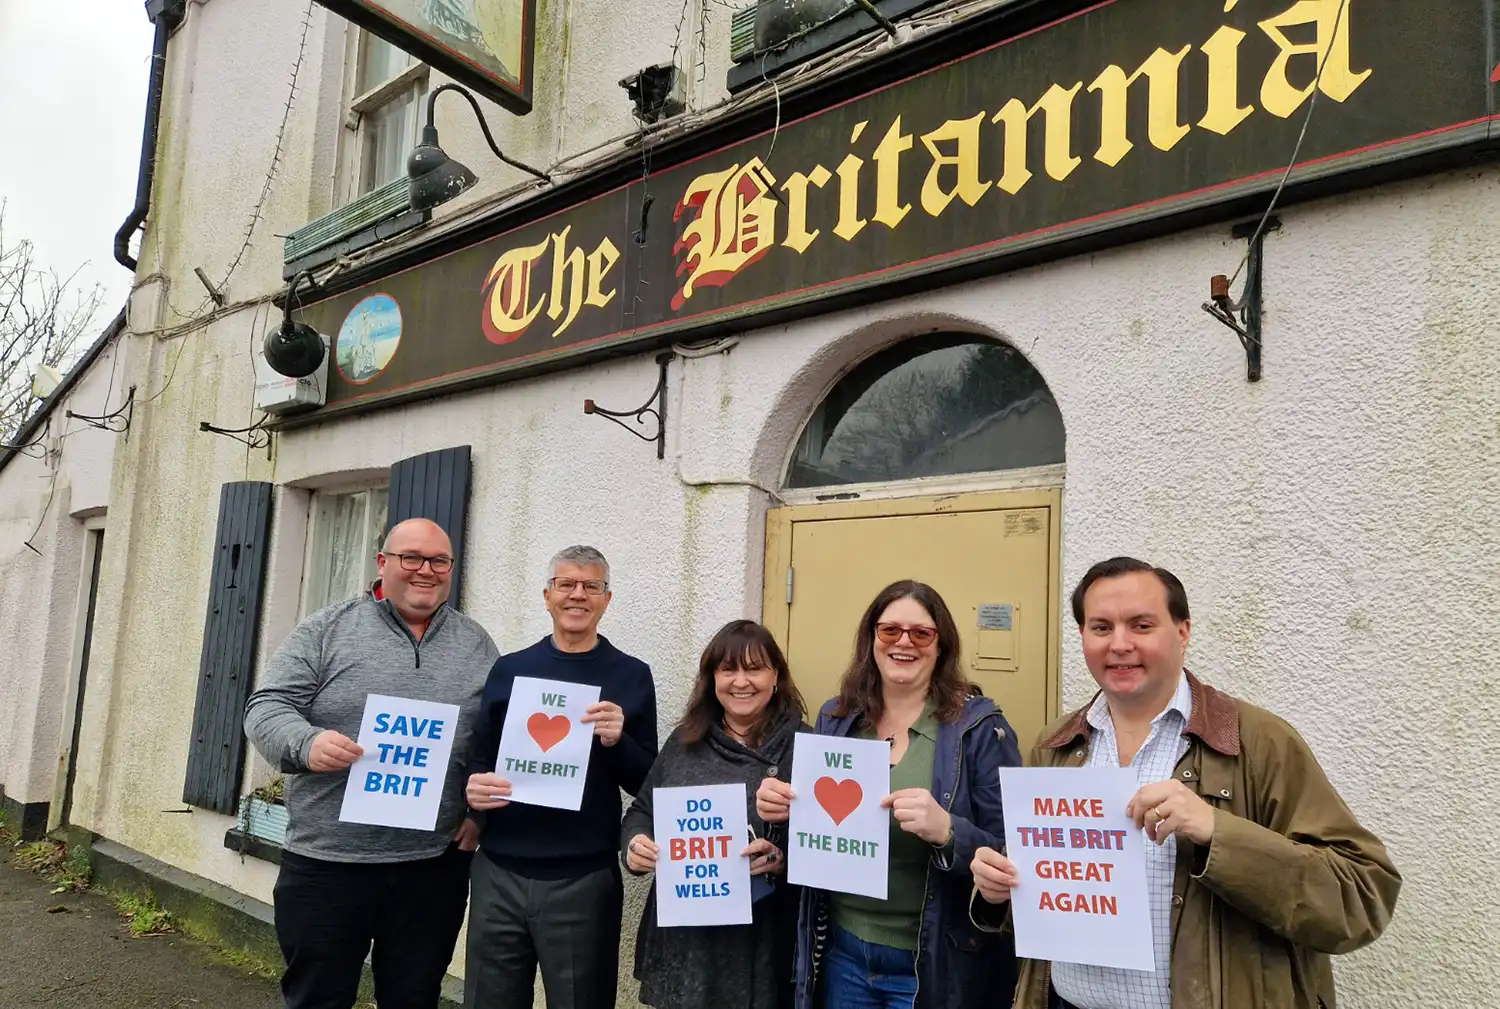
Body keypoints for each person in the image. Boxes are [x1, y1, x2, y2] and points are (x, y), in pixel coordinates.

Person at [969, 556, 1402, 1009]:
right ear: (1082, 637)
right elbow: (1052, 900)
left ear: (1182, 632)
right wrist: (999, 889)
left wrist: (1218, 832)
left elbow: (1361, 896)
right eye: (1101, 627)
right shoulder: (1055, 745)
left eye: (1141, 625)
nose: (1119, 644)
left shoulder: (1257, 742)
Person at [244, 517, 499, 1009]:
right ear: (383, 563)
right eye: (411, 558)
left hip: (431, 868)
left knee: (414, 997)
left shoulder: (476, 643)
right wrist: (307, 743)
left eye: (438, 560)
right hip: (328, 863)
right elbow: (266, 706)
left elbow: (491, 738)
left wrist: (478, 815)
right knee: (318, 998)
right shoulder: (326, 629)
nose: (425, 570)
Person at [757, 579, 1024, 1009]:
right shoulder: (838, 717)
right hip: (842, 954)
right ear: (871, 639)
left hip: (931, 962)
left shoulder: (978, 728)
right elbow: (814, 836)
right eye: (890, 631)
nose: (904, 643)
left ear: (941, 646)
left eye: (921, 633)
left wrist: (949, 831)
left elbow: (1015, 853)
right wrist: (780, 812)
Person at [464, 545, 658, 1009]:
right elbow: (479, 757)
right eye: (566, 584)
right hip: (500, 870)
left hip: (582, 878)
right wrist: (473, 790)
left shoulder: (631, 676)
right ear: (546, 596)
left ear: (607, 599)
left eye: (591, 586)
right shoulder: (510, 669)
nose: (578, 595)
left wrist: (619, 740)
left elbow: (647, 783)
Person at [621, 619, 807, 1009]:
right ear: (712, 679)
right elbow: (641, 811)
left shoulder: (806, 747)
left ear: (776, 676)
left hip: (762, 941)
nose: (741, 681)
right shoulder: (686, 741)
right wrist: (635, 846)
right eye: (729, 669)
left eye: (755, 668)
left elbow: (828, 849)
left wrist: (781, 860)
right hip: (686, 942)